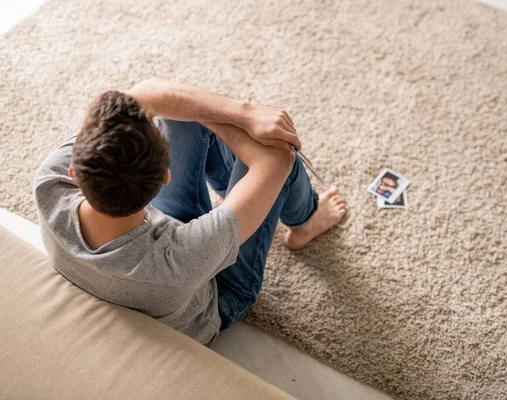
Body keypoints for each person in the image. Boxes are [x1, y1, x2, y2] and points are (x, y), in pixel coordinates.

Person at [33, 78, 347, 345]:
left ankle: (245, 195)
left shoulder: (50, 184)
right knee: (278, 161)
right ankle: (305, 222)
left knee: (185, 113)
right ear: (163, 179)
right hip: (219, 293)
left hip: (159, 247)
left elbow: (148, 92)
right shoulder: (174, 263)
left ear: (74, 170)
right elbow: (278, 158)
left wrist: (244, 114)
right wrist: (213, 118)